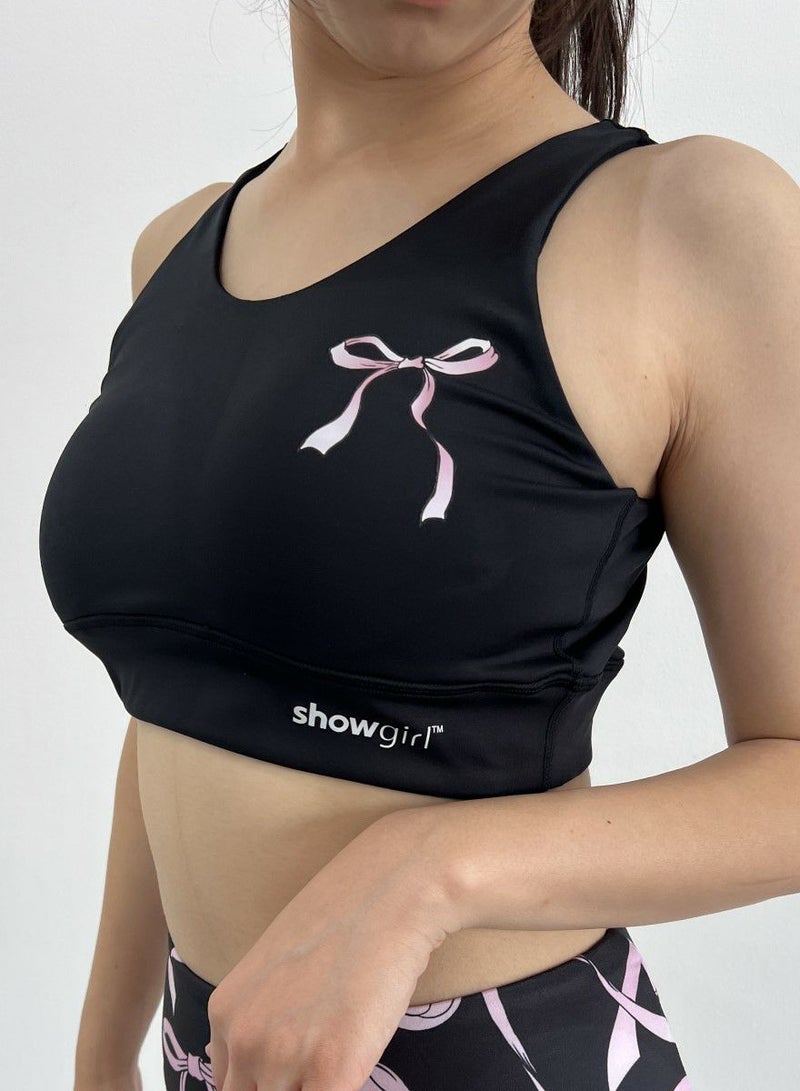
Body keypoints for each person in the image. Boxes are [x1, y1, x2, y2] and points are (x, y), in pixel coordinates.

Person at [39, 2, 800, 1090]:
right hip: (207, 1054)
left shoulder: (689, 221)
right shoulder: (175, 248)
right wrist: (100, 1054)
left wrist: (424, 873)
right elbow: (179, 694)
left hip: (498, 1054)